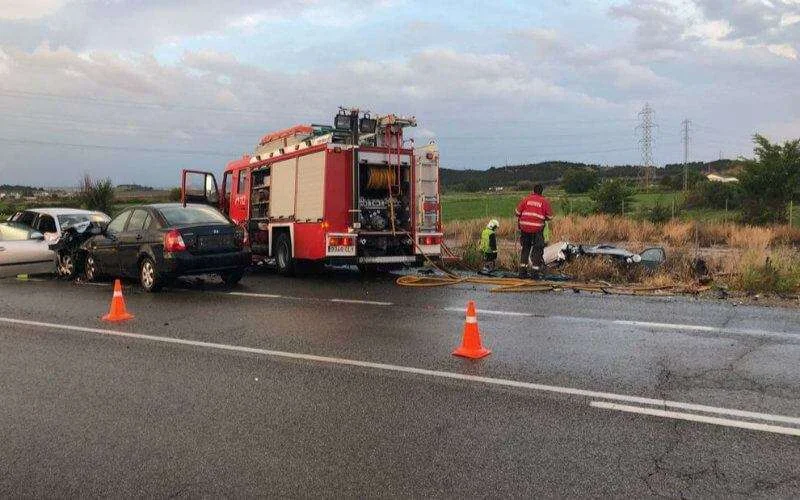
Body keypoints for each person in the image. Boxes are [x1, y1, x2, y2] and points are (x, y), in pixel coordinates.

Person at [515, 183, 552, 278]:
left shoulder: (526, 199)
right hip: (537, 229)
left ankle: (522, 273)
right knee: (537, 250)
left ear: (533, 191)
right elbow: (550, 217)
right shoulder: (544, 201)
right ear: (541, 192)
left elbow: (517, 212)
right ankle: (535, 274)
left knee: (525, 249)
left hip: (524, 228)